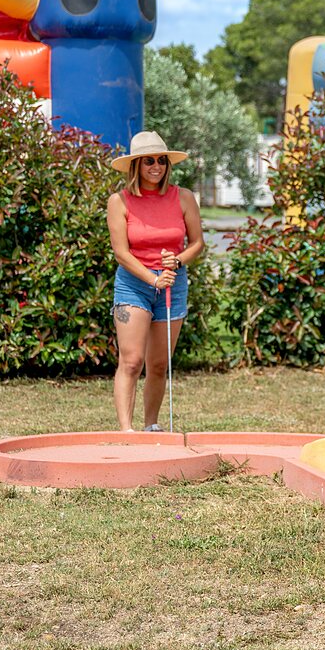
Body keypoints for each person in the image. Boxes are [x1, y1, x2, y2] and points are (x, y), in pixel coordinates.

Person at [106, 131, 204, 432]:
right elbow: (121, 253)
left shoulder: (183, 197)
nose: (156, 166)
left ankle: (151, 426)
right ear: (136, 165)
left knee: (159, 364)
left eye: (161, 160)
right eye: (149, 161)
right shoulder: (119, 201)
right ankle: (127, 431)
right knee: (132, 361)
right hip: (133, 284)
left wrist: (178, 261)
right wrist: (152, 278)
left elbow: (197, 243)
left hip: (173, 283)